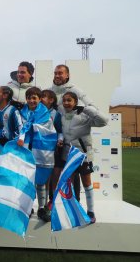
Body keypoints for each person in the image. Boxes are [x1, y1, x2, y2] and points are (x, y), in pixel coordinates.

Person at [56, 91, 108, 223]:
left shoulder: (84, 114)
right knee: (72, 184)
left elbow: (104, 121)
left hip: (83, 156)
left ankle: (90, 211)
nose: (66, 103)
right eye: (64, 100)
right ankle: (76, 207)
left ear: (75, 102)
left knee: (86, 183)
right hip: (68, 156)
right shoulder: (62, 115)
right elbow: (61, 132)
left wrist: (86, 108)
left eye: (69, 100)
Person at [48, 64, 96, 200]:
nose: (57, 76)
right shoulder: (49, 90)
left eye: (60, 73)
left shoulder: (76, 90)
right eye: (55, 73)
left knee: (80, 176)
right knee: (58, 173)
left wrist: (81, 109)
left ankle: (78, 206)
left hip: (78, 143)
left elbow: (92, 107)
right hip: (57, 140)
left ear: (67, 75)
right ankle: (55, 202)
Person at [17, 87, 57, 222]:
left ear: (40, 99)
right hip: (26, 149)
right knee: (27, 181)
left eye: (34, 98)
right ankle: (27, 206)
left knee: (40, 181)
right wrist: (22, 136)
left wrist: (30, 128)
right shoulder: (22, 112)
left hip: (40, 150)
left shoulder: (44, 113)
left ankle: (42, 207)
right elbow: (21, 127)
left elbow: (48, 131)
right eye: (29, 97)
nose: (31, 100)